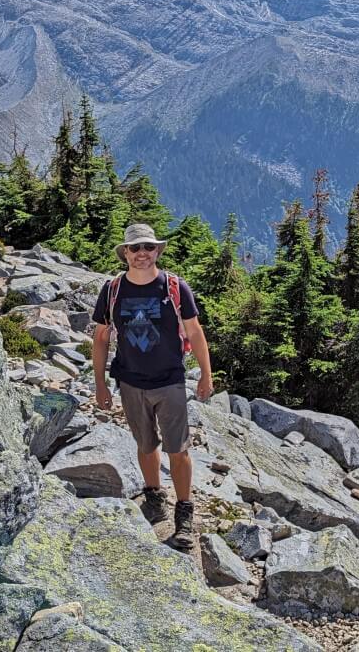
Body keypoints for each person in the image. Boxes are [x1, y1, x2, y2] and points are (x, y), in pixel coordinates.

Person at [91, 222, 213, 552]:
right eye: (135, 248)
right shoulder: (113, 289)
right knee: (145, 444)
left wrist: (206, 374)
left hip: (170, 379)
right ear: (125, 253)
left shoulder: (174, 287)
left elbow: (195, 331)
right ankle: (155, 497)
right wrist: (100, 383)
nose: (142, 254)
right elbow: (101, 337)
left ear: (157, 251)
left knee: (178, 449)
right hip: (130, 380)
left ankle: (184, 513)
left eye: (148, 247)